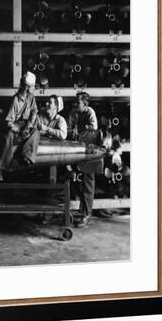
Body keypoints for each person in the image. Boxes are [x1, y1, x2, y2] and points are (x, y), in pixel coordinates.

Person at [0, 71, 39, 181]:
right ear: (26, 87)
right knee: (9, 138)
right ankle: (2, 168)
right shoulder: (15, 100)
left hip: (25, 125)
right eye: (32, 86)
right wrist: (19, 130)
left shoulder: (31, 97)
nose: (34, 88)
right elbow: (9, 122)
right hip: (15, 125)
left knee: (35, 131)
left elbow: (34, 112)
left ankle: (27, 157)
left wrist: (28, 127)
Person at [69, 92, 99, 228]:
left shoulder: (90, 112)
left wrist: (82, 129)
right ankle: (82, 211)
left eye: (78, 103)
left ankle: (87, 215)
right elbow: (71, 128)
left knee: (88, 183)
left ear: (85, 104)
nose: (76, 104)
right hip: (78, 150)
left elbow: (94, 129)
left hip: (89, 152)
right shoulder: (75, 113)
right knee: (76, 180)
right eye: (76, 102)